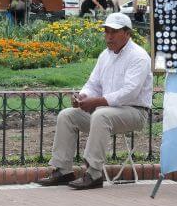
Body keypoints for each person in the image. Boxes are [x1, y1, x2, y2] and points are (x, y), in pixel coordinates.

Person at [36, 13, 152, 190]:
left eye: (114, 31)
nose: (109, 36)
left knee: (101, 114)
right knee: (67, 115)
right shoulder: (105, 55)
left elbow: (130, 92)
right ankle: (63, 170)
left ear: (127, 33)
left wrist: (98, 101)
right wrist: (83, 96)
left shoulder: (139, 56)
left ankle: (94, 173)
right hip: (107, 111)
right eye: (106, 31)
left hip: (135, 112)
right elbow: (93, 84)